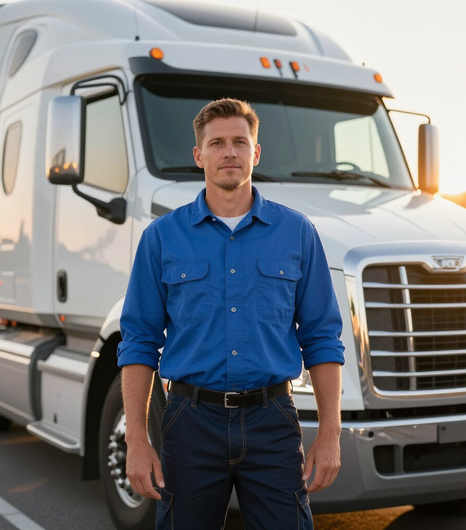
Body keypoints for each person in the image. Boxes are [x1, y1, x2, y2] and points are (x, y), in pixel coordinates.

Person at [117, 98, 345, 530]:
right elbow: (139, 341)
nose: (230, 152)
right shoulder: (162, 237)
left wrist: (331, 433)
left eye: (240, 142)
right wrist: (136, 440)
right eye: (217, 142)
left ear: (256, 153)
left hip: (272, 421)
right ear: (198, 155)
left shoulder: (297, 232)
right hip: (189, 423)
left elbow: (322, 337)